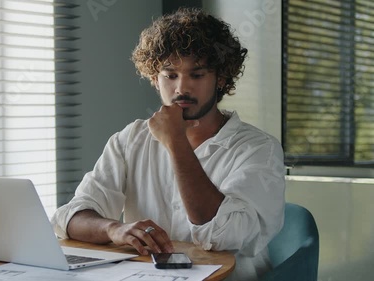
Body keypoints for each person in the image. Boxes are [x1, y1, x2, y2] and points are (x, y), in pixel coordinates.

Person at [51, 7, 285, 281]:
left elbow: (224, 236)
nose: (182, 88)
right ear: (153, 77)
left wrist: (176, 142)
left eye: (197, 75)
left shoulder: (259, 148)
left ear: (220, 79)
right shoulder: (130, 139)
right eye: (170, 75)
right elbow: (71, 217)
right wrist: (114, 229)